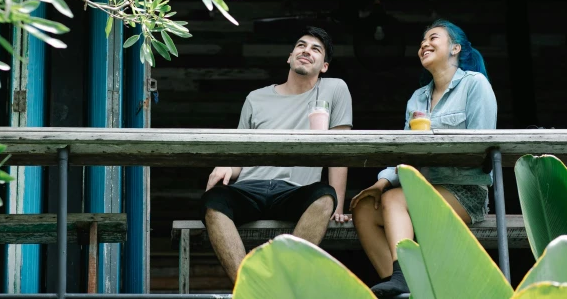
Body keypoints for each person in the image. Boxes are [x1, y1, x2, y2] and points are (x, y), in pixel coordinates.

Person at [350, 20, 497, 298]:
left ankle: (403, 277)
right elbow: (406, 154)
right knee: (365, 208)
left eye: (433, 38)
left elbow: (481, 147)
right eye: (421, 42)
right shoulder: (418, 98)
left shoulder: (475, 85)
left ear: (455, 48)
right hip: (423, 190)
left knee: (396, 199)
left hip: (464, 192)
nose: (424, 44)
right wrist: (380, 184)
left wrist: (431, 154)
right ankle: (403, 289)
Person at [200, 26, 353, 283]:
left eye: (316, 49)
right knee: (212, 202)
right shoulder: (256, 98)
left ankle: (285, 279)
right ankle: (248, 284)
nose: (307, 51)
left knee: (324, 197)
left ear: (324, 66)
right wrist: (226, 166)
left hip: (295, 191)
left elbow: (340, 149)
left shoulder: (334, 89)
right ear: (290, 57)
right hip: (250, 187)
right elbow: (241, 153)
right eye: (301, 46)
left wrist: (337, 203)